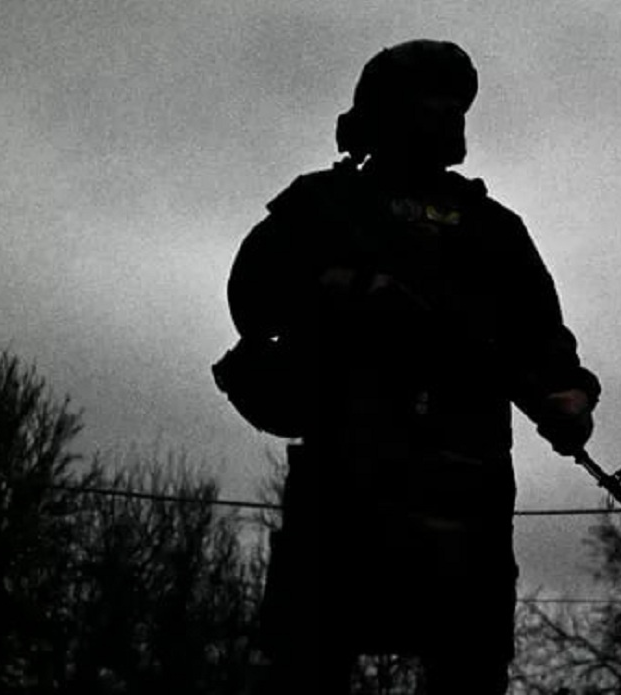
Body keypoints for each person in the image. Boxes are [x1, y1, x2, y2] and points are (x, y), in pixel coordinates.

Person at [225, 39, 600, 694]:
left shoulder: (491, 227)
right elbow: (251, 299)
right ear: (386, 114)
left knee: (468, 666)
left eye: (456, 104)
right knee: (309, 660)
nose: (449, 116)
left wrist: (567, 396)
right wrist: (344, 291)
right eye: (431, 101)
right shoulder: (323, 204)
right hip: (346, 480)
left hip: (466, 483)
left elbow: (541, 337)